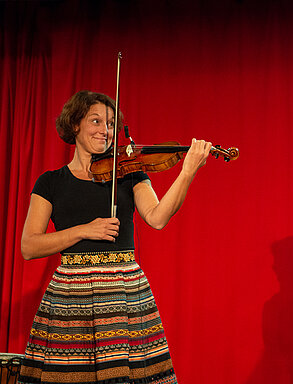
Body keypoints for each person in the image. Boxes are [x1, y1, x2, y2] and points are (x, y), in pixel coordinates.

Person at [18, 90, 212, 384]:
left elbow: (158, 218)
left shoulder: (129, 172)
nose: (105, 131)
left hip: (124, 293)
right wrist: (85, 230)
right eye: (96, 121)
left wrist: (186, 173)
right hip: (71, 296)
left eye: (110, 124)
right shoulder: (50, 182)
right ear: (75, 125)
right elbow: (29, 246)